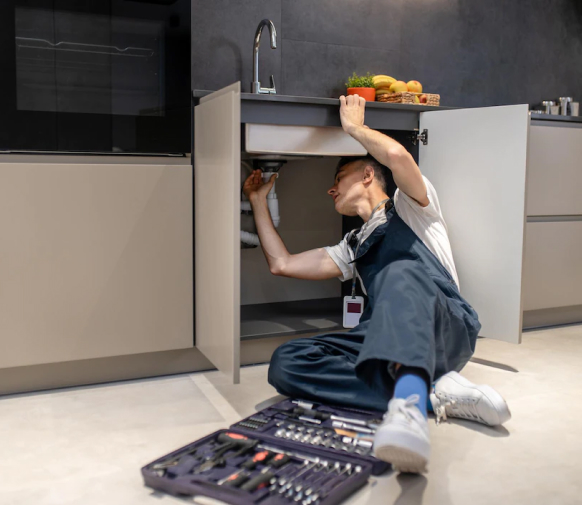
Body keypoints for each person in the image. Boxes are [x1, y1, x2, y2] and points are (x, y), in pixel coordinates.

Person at [242, 94, 510, 474]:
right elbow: (281, 264)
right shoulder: (352, 246)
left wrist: (355, 128)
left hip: (444, 324)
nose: (331, 190)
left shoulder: (413, 207)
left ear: (367, 175)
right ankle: (434, 393)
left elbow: (397, 156)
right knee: (287, 362)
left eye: (338, 179)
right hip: (385, 336)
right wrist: (257, 200)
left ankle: (408, 409)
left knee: (400, 272)